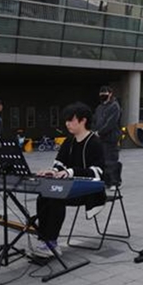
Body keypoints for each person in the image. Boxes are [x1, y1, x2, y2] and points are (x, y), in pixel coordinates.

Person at [33, 102, 106, 258]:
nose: (67, 123)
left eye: (71, 120)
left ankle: (51, 243)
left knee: (56, 197)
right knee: (44, 195)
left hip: (89, 191)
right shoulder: (69, 141)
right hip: (70, 188)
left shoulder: (95, 142)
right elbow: (59, 164)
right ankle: (45, 240)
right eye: (66, 120)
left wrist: (70, 172)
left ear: (83, 120)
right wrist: (52, 172)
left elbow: (98, 172)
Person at [92, 86, 122, 191]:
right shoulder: (99, 108)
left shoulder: (114, 106)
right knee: (102, 161)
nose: (102, 95)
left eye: (105, 92)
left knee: (112, 160)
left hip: (111, 138)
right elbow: (94, 121)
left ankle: (115, 182)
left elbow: (111, 122)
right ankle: (107, 182)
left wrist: (100, 132)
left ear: (110, 94)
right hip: (100, 139)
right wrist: (93, 132)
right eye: (101, 93)